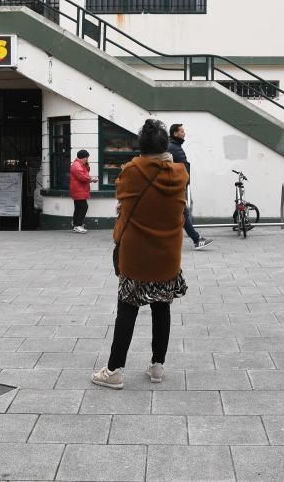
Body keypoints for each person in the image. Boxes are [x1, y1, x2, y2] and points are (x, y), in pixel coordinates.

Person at [92, 119, 189, 389]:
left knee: (127, 310)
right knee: (162, 309)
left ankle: (114, 370)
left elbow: (122, 195)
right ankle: (157, 366)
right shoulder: (180, 173)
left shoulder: (132, 170)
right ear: (166, 144)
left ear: (141, 146)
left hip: (136, 255)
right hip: (168, 254)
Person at [168, 124, 212, 249]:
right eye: (181, 131)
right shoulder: (174, 148)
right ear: (175, 133)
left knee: (181, 213)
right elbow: (182, 168)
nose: (184, 133)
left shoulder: (174, 146)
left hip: (175, 186)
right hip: (176, 187)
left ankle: (195, 239)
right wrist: (184, 183)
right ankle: (196, 239)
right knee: (183, 212)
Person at [69, 149, 97, 233]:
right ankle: (78, 225)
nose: (87, 159)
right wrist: (92, 179)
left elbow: (86, 171)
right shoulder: (76, 165)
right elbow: (82, 177)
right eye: (86, 157)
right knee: (83, 207)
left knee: (78, 207)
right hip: (78, 189)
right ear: (83, 157)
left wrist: (86, 165)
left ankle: (76, 224)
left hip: (79, 189)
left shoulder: (80, 164)